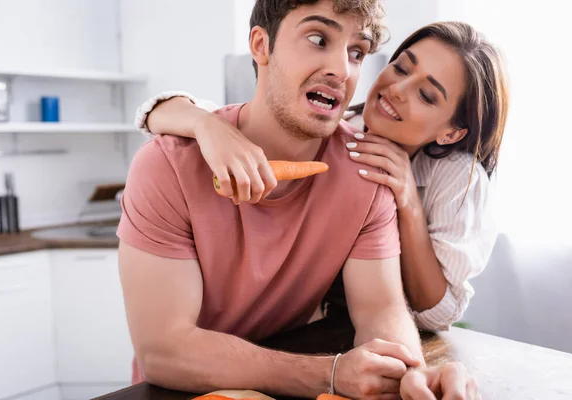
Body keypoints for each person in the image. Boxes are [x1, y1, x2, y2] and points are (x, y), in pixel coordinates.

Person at [119, 1, 480, 399]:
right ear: (261, 45)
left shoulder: (367, 170)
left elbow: (381, 310)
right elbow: (164, 352)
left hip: (284, 376)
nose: (342, 70)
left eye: (356, 52)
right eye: (317, 38)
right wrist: (329, 374)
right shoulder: (167, 166)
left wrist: (407, 372)